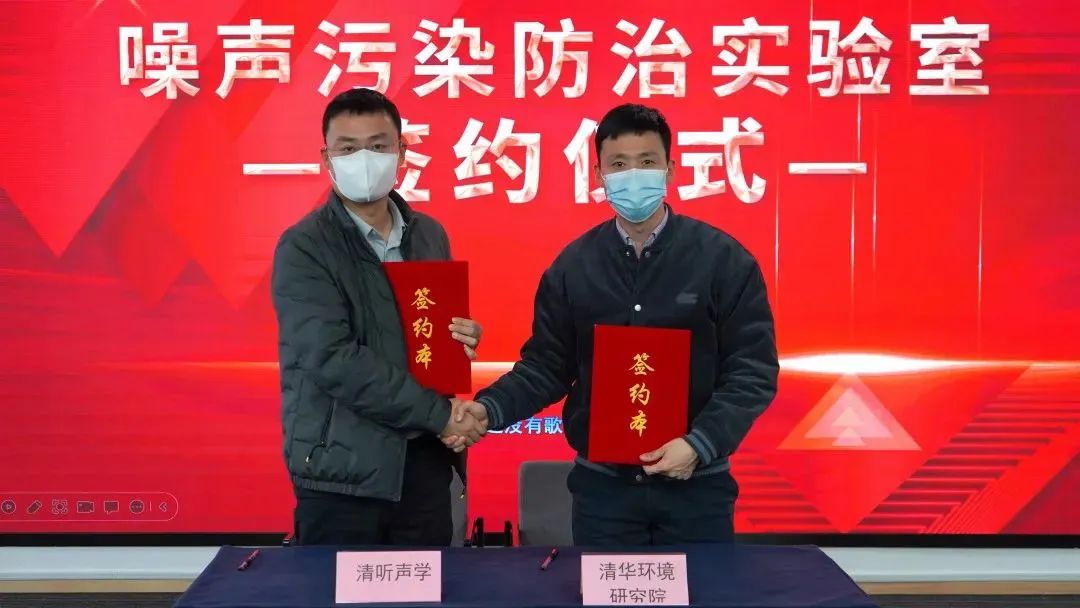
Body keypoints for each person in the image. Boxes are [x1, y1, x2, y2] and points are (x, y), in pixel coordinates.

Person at [454, 104, 778, 545]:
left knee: (701, 585)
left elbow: (752, 371)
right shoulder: (574, 266)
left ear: (670, 169)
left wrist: (699, 444)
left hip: (697, 490)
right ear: (599, 174)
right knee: (606, 584)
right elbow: (547, 367)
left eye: (647, 162)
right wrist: (488, 409)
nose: (633, 175)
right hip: (604, 494)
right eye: (619, 165)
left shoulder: (724, 261)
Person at [272, 88, 487, 546]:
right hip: (343, 476)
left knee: (427, 583)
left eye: (377, 145)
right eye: (348, 149)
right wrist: (441, 415)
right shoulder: (304, 247)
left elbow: (425, 338)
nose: (364, 159)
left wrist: (460, 336)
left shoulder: (428, 235)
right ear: (327, 159)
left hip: (424, 463)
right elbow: (333, 359)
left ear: (401, 152)